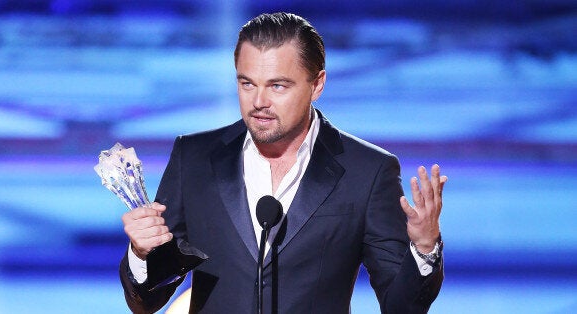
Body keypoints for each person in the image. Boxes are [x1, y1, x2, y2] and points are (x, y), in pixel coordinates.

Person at [120, 12, 447, 314]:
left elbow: (402, 307)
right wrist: (141, 253)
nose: (259, 102)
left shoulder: (368, 171)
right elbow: (148, 301)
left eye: (278, 86)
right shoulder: (193, 158)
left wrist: (424, 247)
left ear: (317, 84)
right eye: (247, 83)